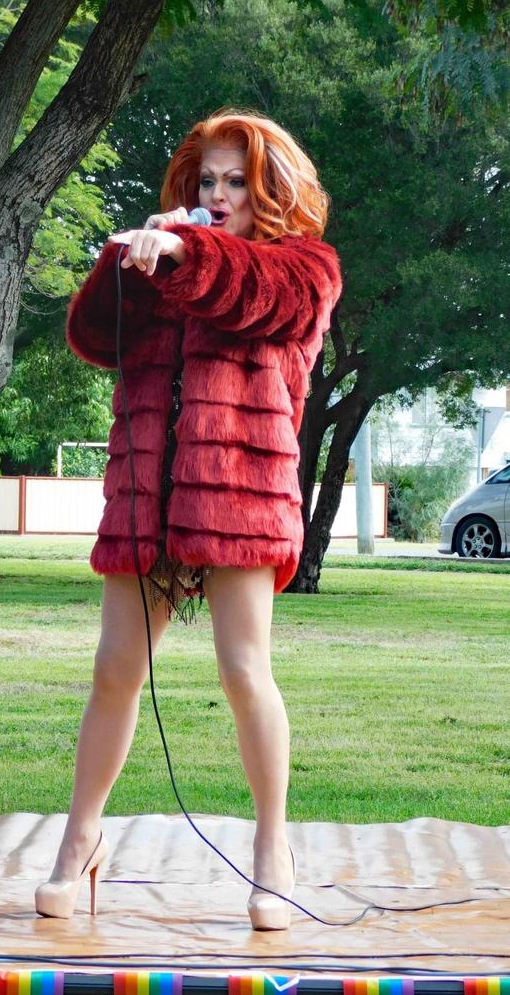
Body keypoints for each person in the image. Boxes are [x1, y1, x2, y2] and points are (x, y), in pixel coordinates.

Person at [35, 108, 342, 931]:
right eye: (206, 179)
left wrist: (189, 251)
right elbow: (95, 337)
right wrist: (134, 259)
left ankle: (273, 850)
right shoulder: (170, 252)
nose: (218, 194)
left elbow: (261, 298)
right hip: (146, 493)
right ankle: (79, 843)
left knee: (245, 674)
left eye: (237, 181)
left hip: (241, 494)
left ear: (270, 187)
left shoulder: (306, 267)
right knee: (112, 674)